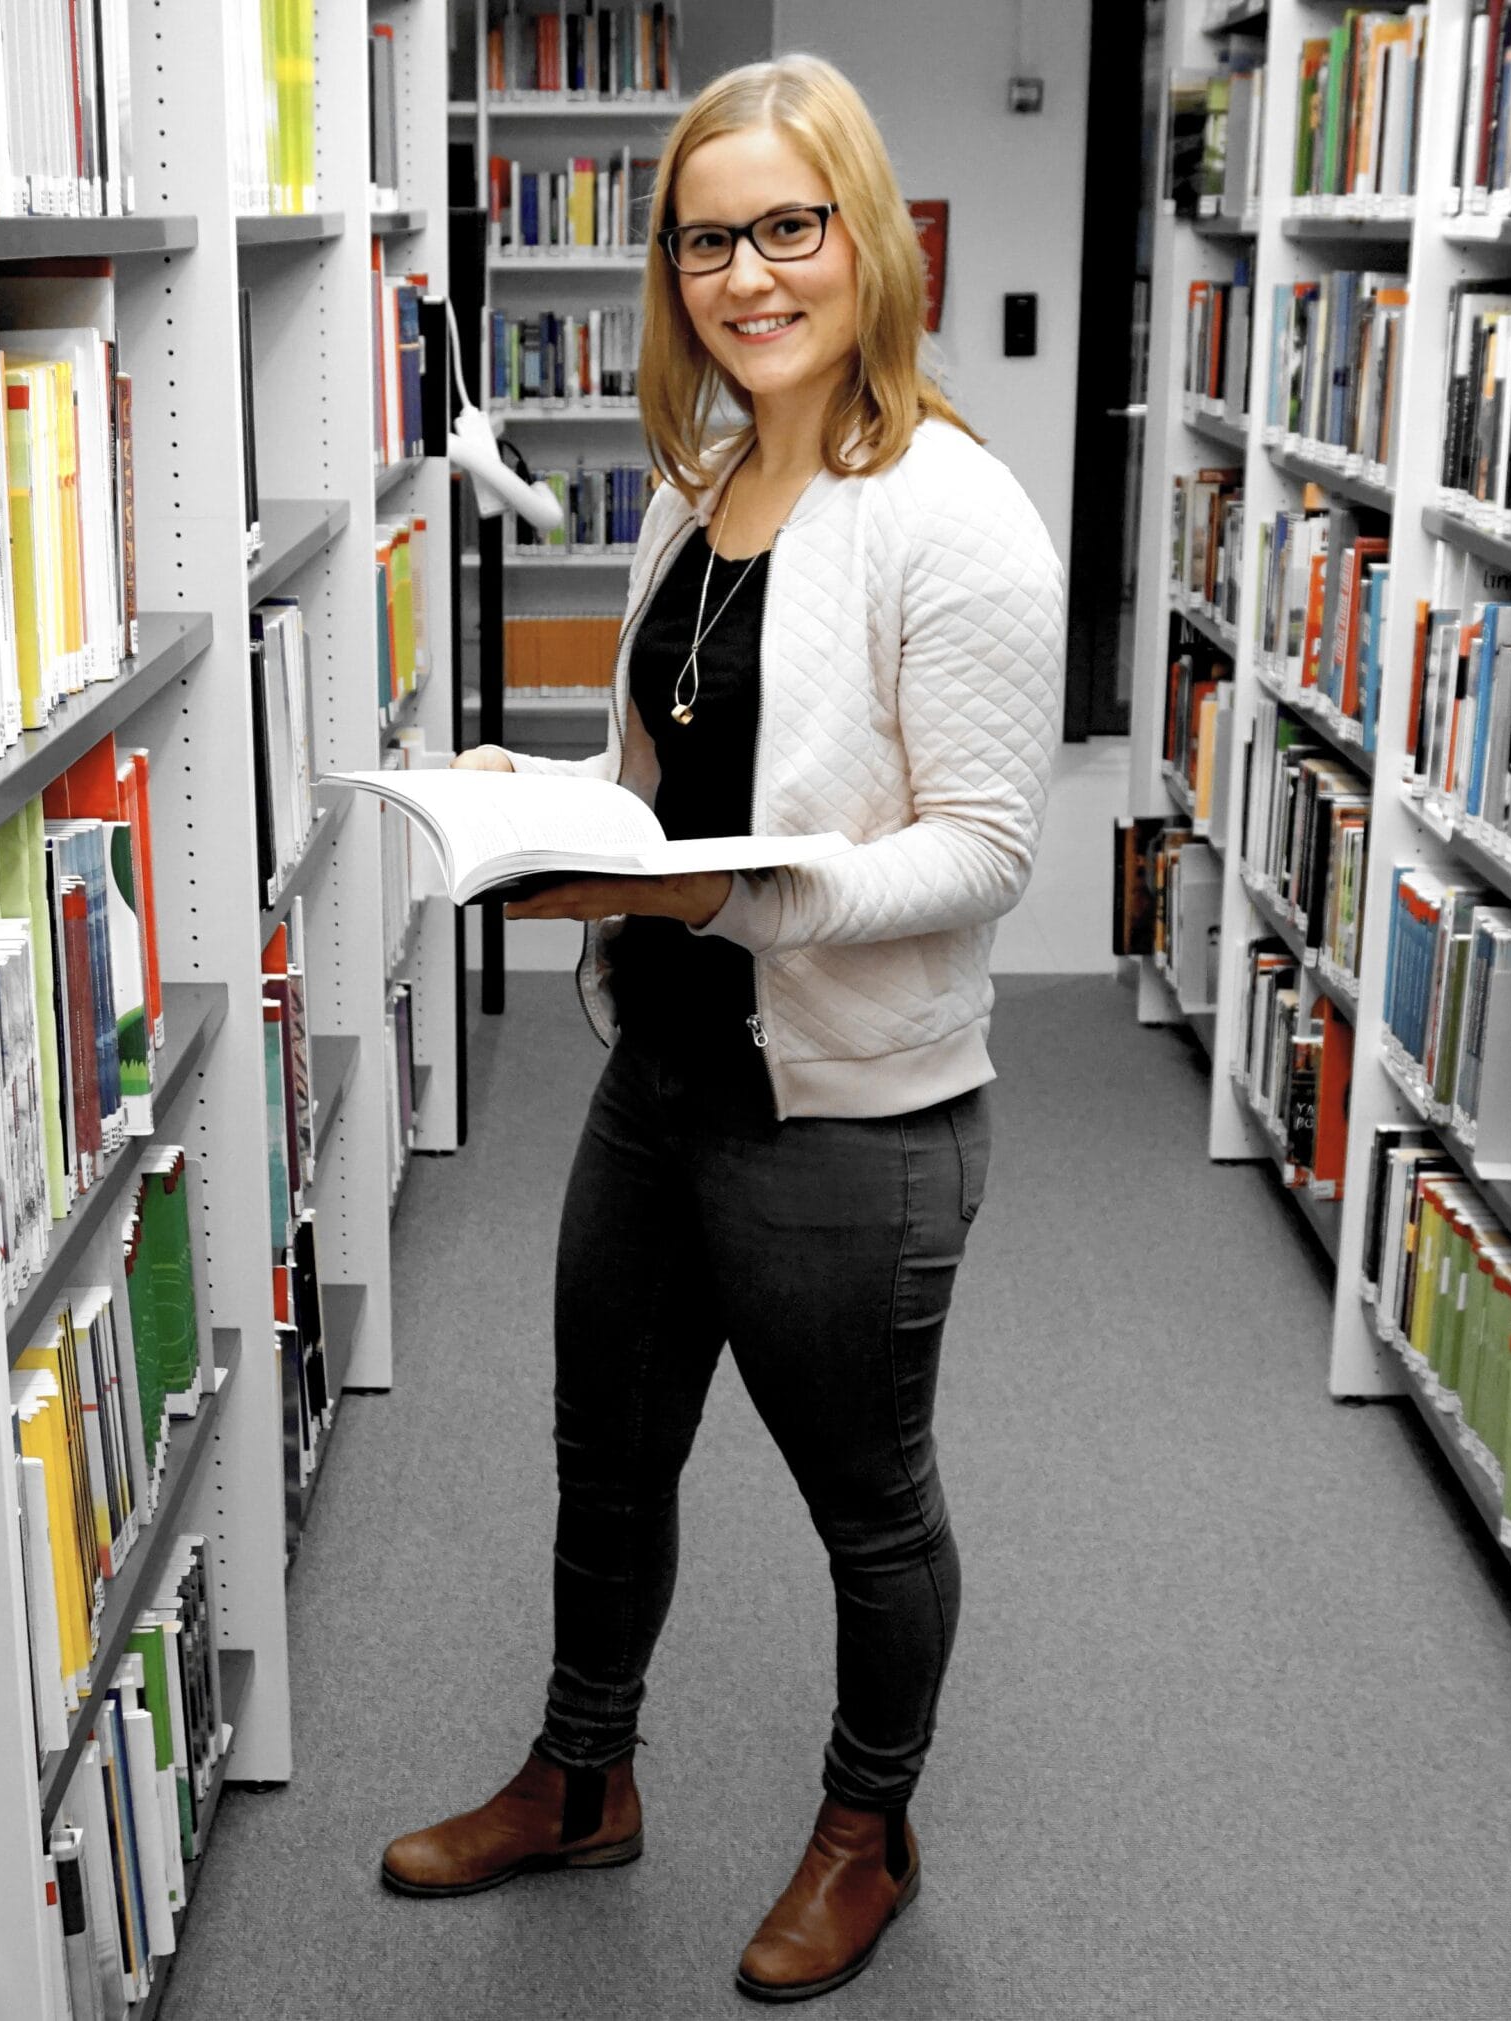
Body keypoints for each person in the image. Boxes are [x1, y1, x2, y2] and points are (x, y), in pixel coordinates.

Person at [376, 55, 1064, 2006]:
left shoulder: (957, 514)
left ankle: (869, 1828)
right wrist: (554, 807)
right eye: (705, 241)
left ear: (865, 240)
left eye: (787, 227)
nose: (747, 275)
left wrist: (716, 900)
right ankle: (583, 1778)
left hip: (846, 1113)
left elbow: (982, 852)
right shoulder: (693, 492)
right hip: (659, 1072)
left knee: (869, 1507)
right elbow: (668, 780)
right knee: (605, 1462)